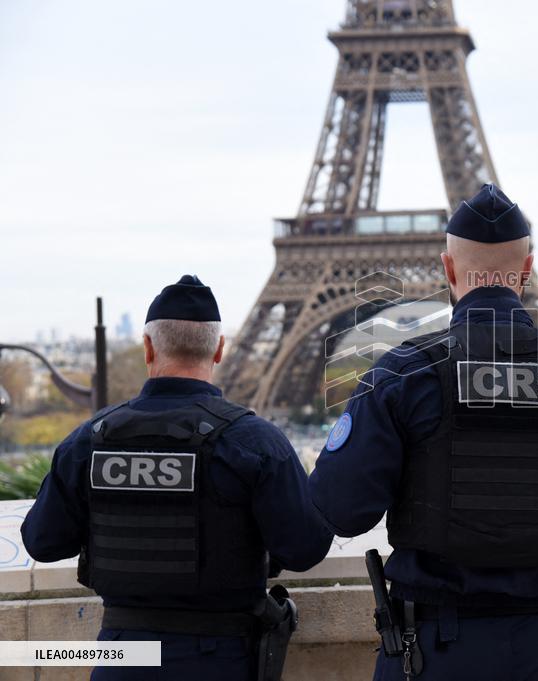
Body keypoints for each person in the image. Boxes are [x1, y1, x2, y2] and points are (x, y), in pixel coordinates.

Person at [309, 184, 538, 681]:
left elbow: (341, 510)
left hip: (433, 650)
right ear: (526, 270)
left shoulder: (403, 375)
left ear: (448, 268)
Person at [21, 275, 332, 681]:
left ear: (148, 347)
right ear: (220, 349)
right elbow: (305, 548)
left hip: (122, 653)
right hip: (220, 657)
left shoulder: (89, 441)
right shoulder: (256, 442)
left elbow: (42, 543)